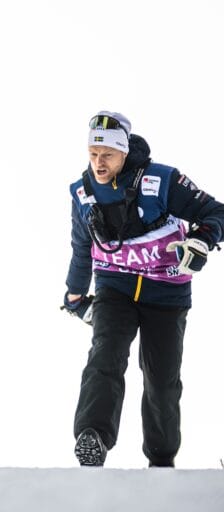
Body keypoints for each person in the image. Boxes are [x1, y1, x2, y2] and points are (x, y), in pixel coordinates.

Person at [62, 111, 224, 468]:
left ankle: (162, 460)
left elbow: (216, 212)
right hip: (114, 288)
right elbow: (81, 247)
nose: (98, 163)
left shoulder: (161, 180)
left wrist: (200, 241)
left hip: (166, 293)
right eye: (92, 153)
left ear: (123, 153)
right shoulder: (83, 192)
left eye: (107, 154)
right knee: (105, 357)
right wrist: (74, 293)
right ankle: (92, 438)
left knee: (161, 380)